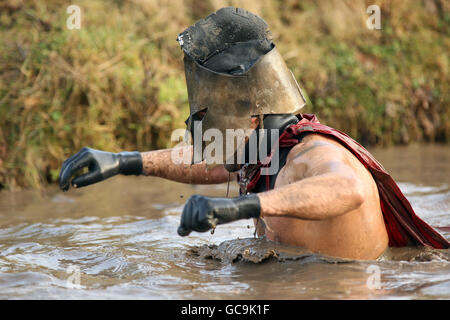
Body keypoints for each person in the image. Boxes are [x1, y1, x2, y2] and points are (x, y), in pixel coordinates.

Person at [58, 7, 449, 260]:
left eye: (217, 128)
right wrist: (124, 162)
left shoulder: (312, 156)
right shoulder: (260, 153)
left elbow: (348, 188)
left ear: (254, 121)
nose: (209, 143)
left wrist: (239, 208)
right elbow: (210, 163)